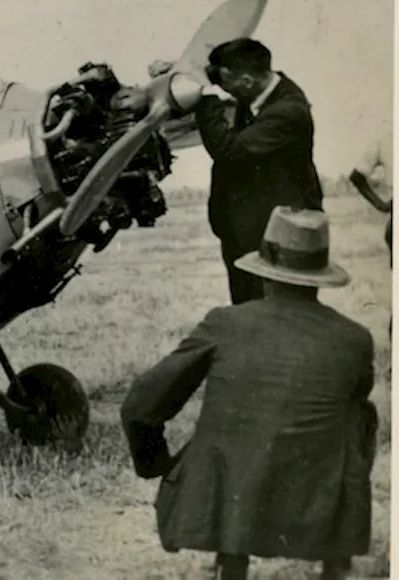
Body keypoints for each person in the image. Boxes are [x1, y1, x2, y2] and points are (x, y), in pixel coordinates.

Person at [120, 206, 376, 580]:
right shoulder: (355, 339)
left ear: (265, 274)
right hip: (313, 497)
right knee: (358, 416)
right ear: (318, 276)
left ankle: (232, 556)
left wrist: (156, 464)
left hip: (229, 498)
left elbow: (141, 402)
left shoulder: (225, 324)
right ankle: (333, 563)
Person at [154, 39, 325, 304]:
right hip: (246, 230)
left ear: (246, 81)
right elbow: (217, 73)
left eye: (226, 84)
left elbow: (228, 150)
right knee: (247, 312)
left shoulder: (288, 111)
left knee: (273, 314)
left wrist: (206, 98)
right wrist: (178, 72)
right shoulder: (254, 85)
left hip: (278, 239)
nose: (223, 89)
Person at [349, 130, 393, 266]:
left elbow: (357, 177)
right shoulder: (386, 141)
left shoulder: (386, 140)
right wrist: (381, 205)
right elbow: (357, 176)